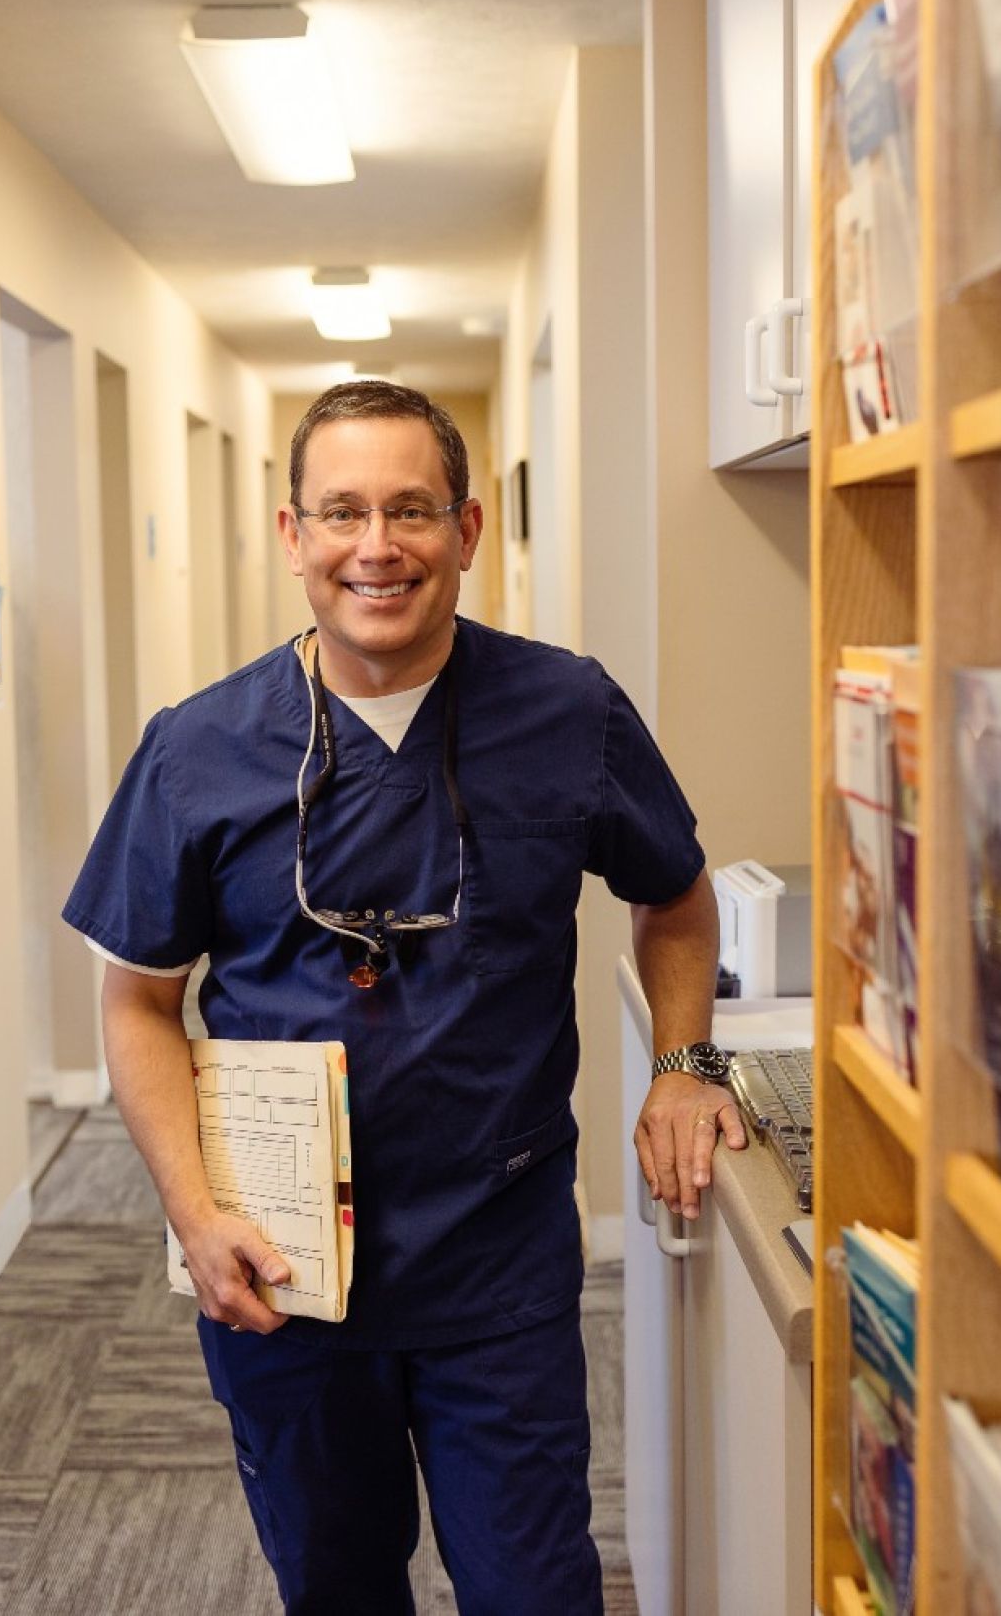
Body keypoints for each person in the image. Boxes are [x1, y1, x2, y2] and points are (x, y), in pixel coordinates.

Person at [62, 380, 745, 1615]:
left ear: (467, 530)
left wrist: (683, 1068)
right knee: (337, 1587)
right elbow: (138, 1004)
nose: (375, 547)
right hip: (287, 1277)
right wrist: (194, 1213)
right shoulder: (196, 748)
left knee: (535, 1591)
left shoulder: (566, 709)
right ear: (293, 536)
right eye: (340, 513)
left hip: (498, 1267)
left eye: (411, 511)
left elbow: (677, 897)